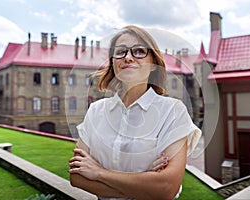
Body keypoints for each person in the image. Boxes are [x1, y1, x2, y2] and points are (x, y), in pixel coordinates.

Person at [69, 25, 201, 200]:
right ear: (113, 62)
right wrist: (145, 185)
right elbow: (77, 177)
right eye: (121, 52)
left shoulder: (173, 111)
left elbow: (167, 187)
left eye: (139, 51)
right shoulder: (96, 111)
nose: (128, 58)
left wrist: (99, 173)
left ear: (154, 64)